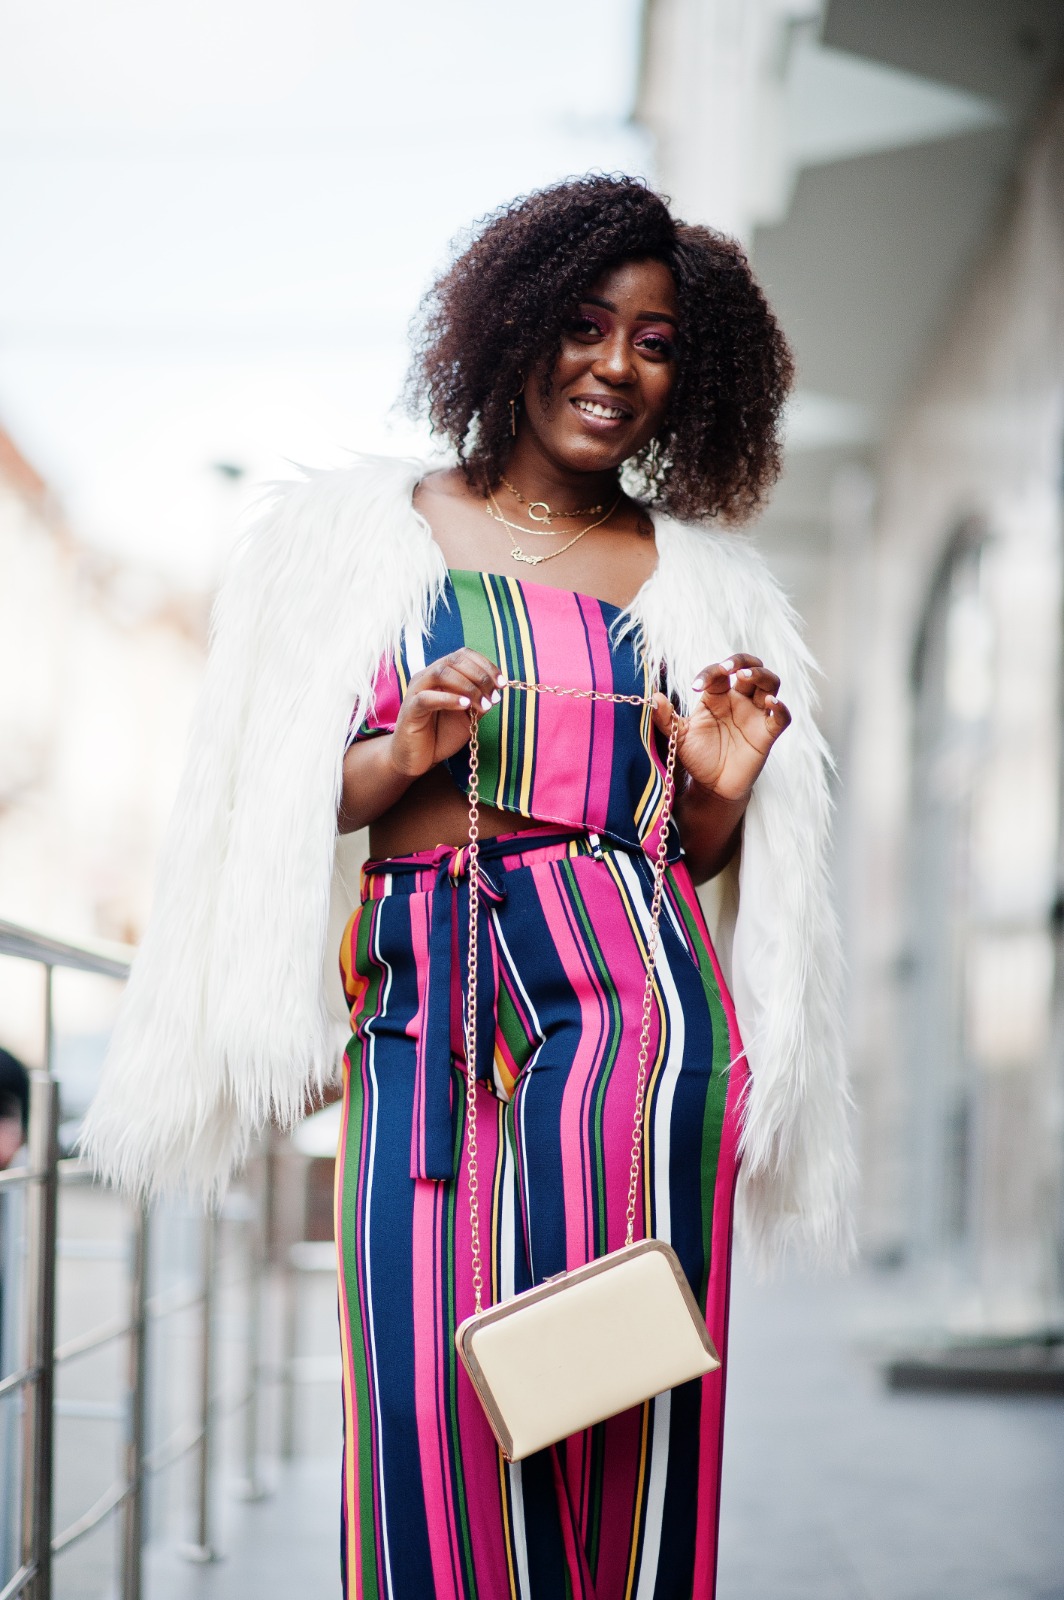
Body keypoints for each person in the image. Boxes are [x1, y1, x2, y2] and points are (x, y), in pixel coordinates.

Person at [81, 175, 852, 1599]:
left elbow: (692, 857)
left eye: (658, 341)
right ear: (511, 327)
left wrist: (724, 789)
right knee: (425, 1385)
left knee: (612, 1382)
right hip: (427, 978)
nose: (616, 365)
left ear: (698, 377)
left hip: (634, 989)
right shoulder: (355, 543)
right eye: (585, 323)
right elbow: (264, 805)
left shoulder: (702, 584)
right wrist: (398, 754)